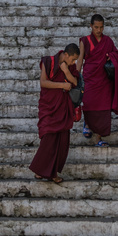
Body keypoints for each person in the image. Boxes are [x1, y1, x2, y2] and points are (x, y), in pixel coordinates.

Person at [29, 43, 80, 184]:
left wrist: (67, 72)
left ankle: (52, 173)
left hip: (63, 108)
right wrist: (62, 85)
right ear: (66, 55)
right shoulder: (49, 61)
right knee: (49, 140)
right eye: (73, 59)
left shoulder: (70, 67)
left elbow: (75, 82)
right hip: (49, 107)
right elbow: (43, 83)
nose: (74, 62)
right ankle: (42, 171)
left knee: (61, 142)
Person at [76, 14, 118, 145]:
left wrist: (110, 57)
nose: (99, 30)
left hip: (104, 79)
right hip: (90, 77)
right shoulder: (85, 41)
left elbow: (115, 54)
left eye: (101, 27)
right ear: (91, 26)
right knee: (89, 104)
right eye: (96, 27)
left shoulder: (108, 41)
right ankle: (88, 124)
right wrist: (76, 76)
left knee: (103, 109)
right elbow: (80, 59)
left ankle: (99, 138)